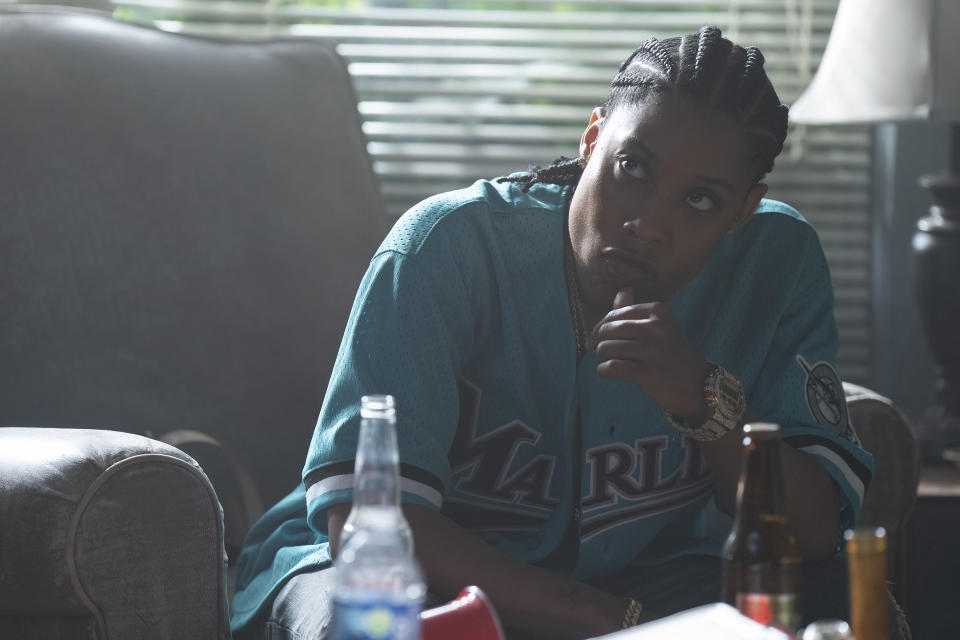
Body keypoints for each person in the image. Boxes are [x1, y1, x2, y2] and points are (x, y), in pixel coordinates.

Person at [230, 26, 878, 640]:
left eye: (701, 200)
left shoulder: (777, 261)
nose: (649, 223)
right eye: (633, 167)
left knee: (827, 598)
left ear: (743, 209)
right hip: (414, 577)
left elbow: (812, 530)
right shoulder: (447, 249)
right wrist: (610, 619)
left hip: (651, 577)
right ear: (593, 140)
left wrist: (703, 398)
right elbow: (371, 525)